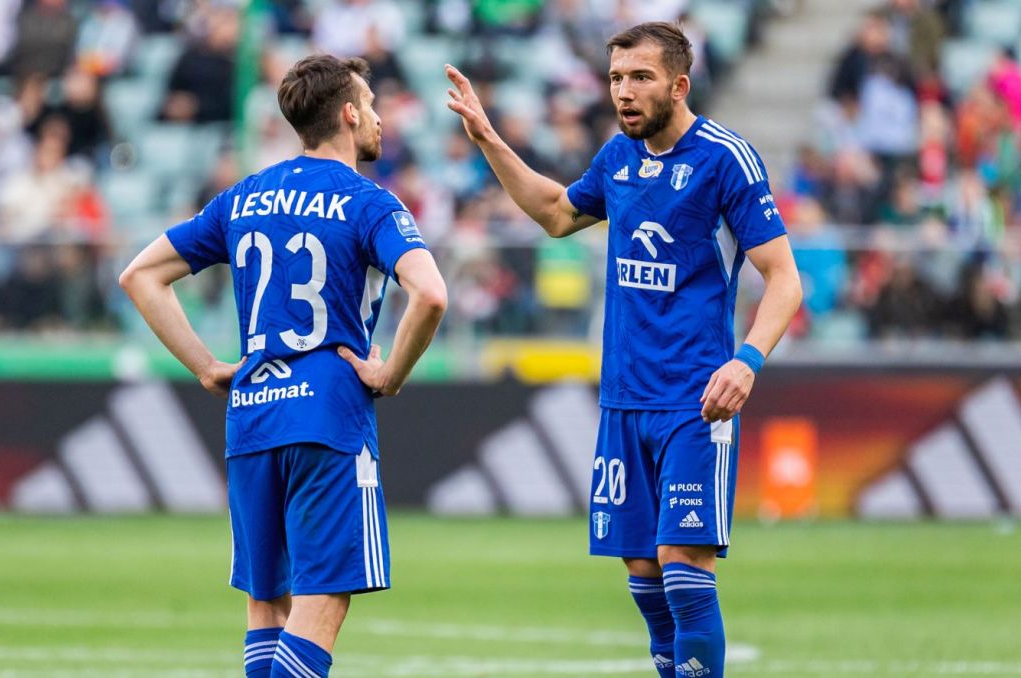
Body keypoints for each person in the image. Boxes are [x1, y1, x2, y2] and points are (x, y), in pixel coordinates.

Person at [446, 22, 801, 678]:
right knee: (644, 578)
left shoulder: (725, 158)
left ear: (679, 85)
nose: (624, 92)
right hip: (623, 401)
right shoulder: (617, 158)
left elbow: (784, 278)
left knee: (684, 570)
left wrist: (746, 360)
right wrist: (490, 139)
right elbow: (557, 214)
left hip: (696, 400)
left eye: (640, 77)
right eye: (615, 78)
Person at [120, 54, 447, 678]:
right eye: (371, 105)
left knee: (268, 604)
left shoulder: (244, 196)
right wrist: (391, 375)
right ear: (349, 115)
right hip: (328, 416)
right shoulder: (370, 202)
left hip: (252, 415)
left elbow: (140, 276)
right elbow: (430, 294)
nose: (379, 117)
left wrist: (206, 367)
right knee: (323, 598)